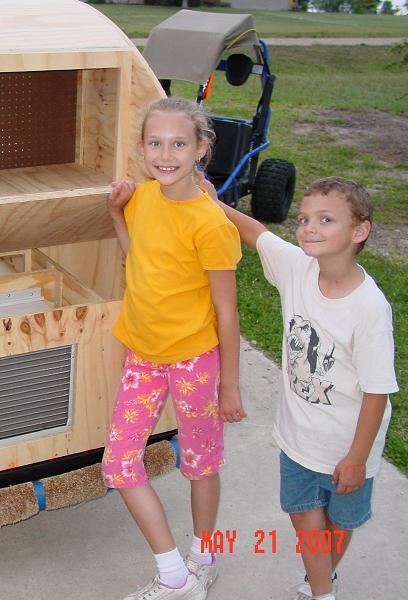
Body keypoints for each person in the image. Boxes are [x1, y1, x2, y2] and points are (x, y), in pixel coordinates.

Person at [215, 177, 398, 600]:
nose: (308, 227)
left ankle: (322, 579)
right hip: (298, 439)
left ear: (359, 231)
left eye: (325, 219)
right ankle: (321, 591)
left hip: (349, 446)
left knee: (340, 524)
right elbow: (256, 233)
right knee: (304, 518)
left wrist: (355, 458)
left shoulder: (369, 309)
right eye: (303, 218)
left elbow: (376, 393)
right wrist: (212, 199)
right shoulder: (299, 267)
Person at [102, 96, 246, 600]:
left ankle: (203, 559)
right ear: (142, 148)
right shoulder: (142, 197)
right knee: (119, 464)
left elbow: (227, 312)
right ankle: (173, 573)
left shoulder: (211, 224)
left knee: (201, 463)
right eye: (156, 143)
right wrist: (117, 214)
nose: (166, 154)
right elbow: (138, 258)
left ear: (201, 148)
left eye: (179, 143)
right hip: (143, 354)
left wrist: (229, 383)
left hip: (195, 361)